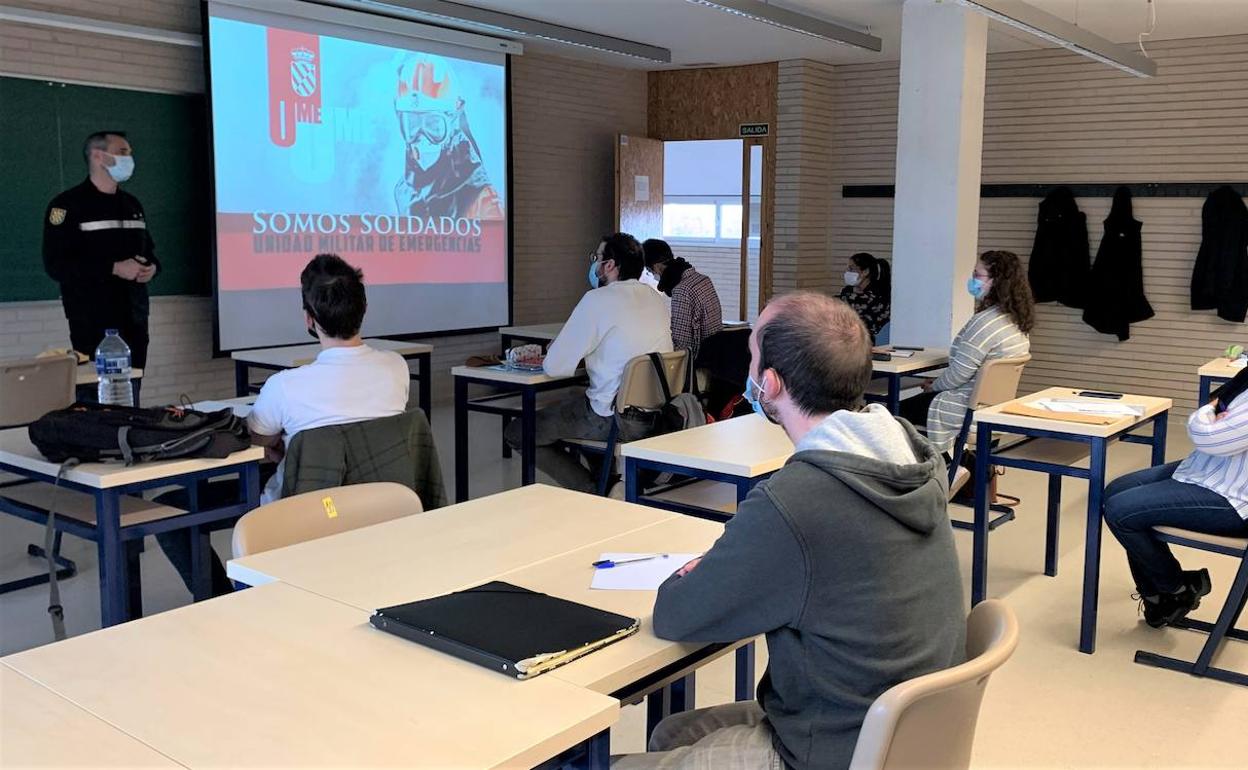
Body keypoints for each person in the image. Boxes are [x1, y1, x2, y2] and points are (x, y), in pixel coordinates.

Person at [614, 292, 965, 770]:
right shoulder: (910, 452)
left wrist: (701, 575)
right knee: (671, 731)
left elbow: (678, 615)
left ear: (770, 384)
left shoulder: (797, 501)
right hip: (905, 731)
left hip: (828, 748)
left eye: (752, 357)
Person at [155, 254, 411, 597]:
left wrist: (288, 451)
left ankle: (221, 601)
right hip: (382, 503)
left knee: (172, 507)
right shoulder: (396, 368)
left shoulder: (285, 386)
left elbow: (257, 445)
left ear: (309, 319)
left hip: (307, 508)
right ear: (363, 309)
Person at [505, 233, 671, 492]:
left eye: (597, 258)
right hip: (656, 414)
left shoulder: (597, 300)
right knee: (579, 400)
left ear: (610, 265)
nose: (594, 265)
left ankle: (593, 491)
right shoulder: (655, 298)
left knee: (518, 433)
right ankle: (606, 480)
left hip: (613, 418)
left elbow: (555, 367)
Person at [1104, 368, 1248, 628]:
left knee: (1120, 510)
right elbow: (1217, 412)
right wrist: (1213, 413)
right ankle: (1159, 597)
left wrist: (1207, 413)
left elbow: (1212, 437)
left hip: (1236, 497)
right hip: (1210, 470)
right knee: (1115, 490)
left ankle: (1177, 589)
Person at [42, 131, 159, 387]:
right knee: (100, 398)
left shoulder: (132, 204)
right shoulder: (66, 206)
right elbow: (57, 264)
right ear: (98, 156)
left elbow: (148, 252)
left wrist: (152, 268)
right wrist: (114, 268)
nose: (130, 158)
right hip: (93, 321)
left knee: (132, 392)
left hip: (135, 318)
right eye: (123, 152)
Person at [898, 250, 1034, 455]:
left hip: (964, 408)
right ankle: (956, 468)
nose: (972, 280)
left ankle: (934, 469)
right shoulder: (1017, 323)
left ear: (997, 282)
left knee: (895, 413)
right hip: (992, 408)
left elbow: (958, 375)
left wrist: (932, 386)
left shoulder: (985, 323)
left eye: (977, 275)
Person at [642, 239, 723, 360]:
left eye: (649, 271)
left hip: (700, 364)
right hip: (716, 356)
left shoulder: (682, 290)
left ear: (657, 267)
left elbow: (681, 346)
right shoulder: (703, 279)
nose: (652, 276)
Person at [838, 252, 891, 341]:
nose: (847, 272)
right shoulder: (849, 292)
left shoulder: (875, 297)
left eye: (851, 269)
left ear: (865, 272)